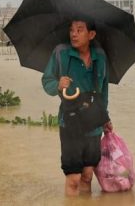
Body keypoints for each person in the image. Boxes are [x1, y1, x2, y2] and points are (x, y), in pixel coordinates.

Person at [42, 19, 113, 196]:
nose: (74, 34)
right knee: (73, 178)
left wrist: (105, 118)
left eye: (79, 30)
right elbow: (46, 80)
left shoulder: (100, 56)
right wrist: (58, 84)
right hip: (70, 122)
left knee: (87, 176)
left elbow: (103, 90)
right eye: (72, 30)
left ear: (91, 35)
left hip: (93, 124)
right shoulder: (61, 53)